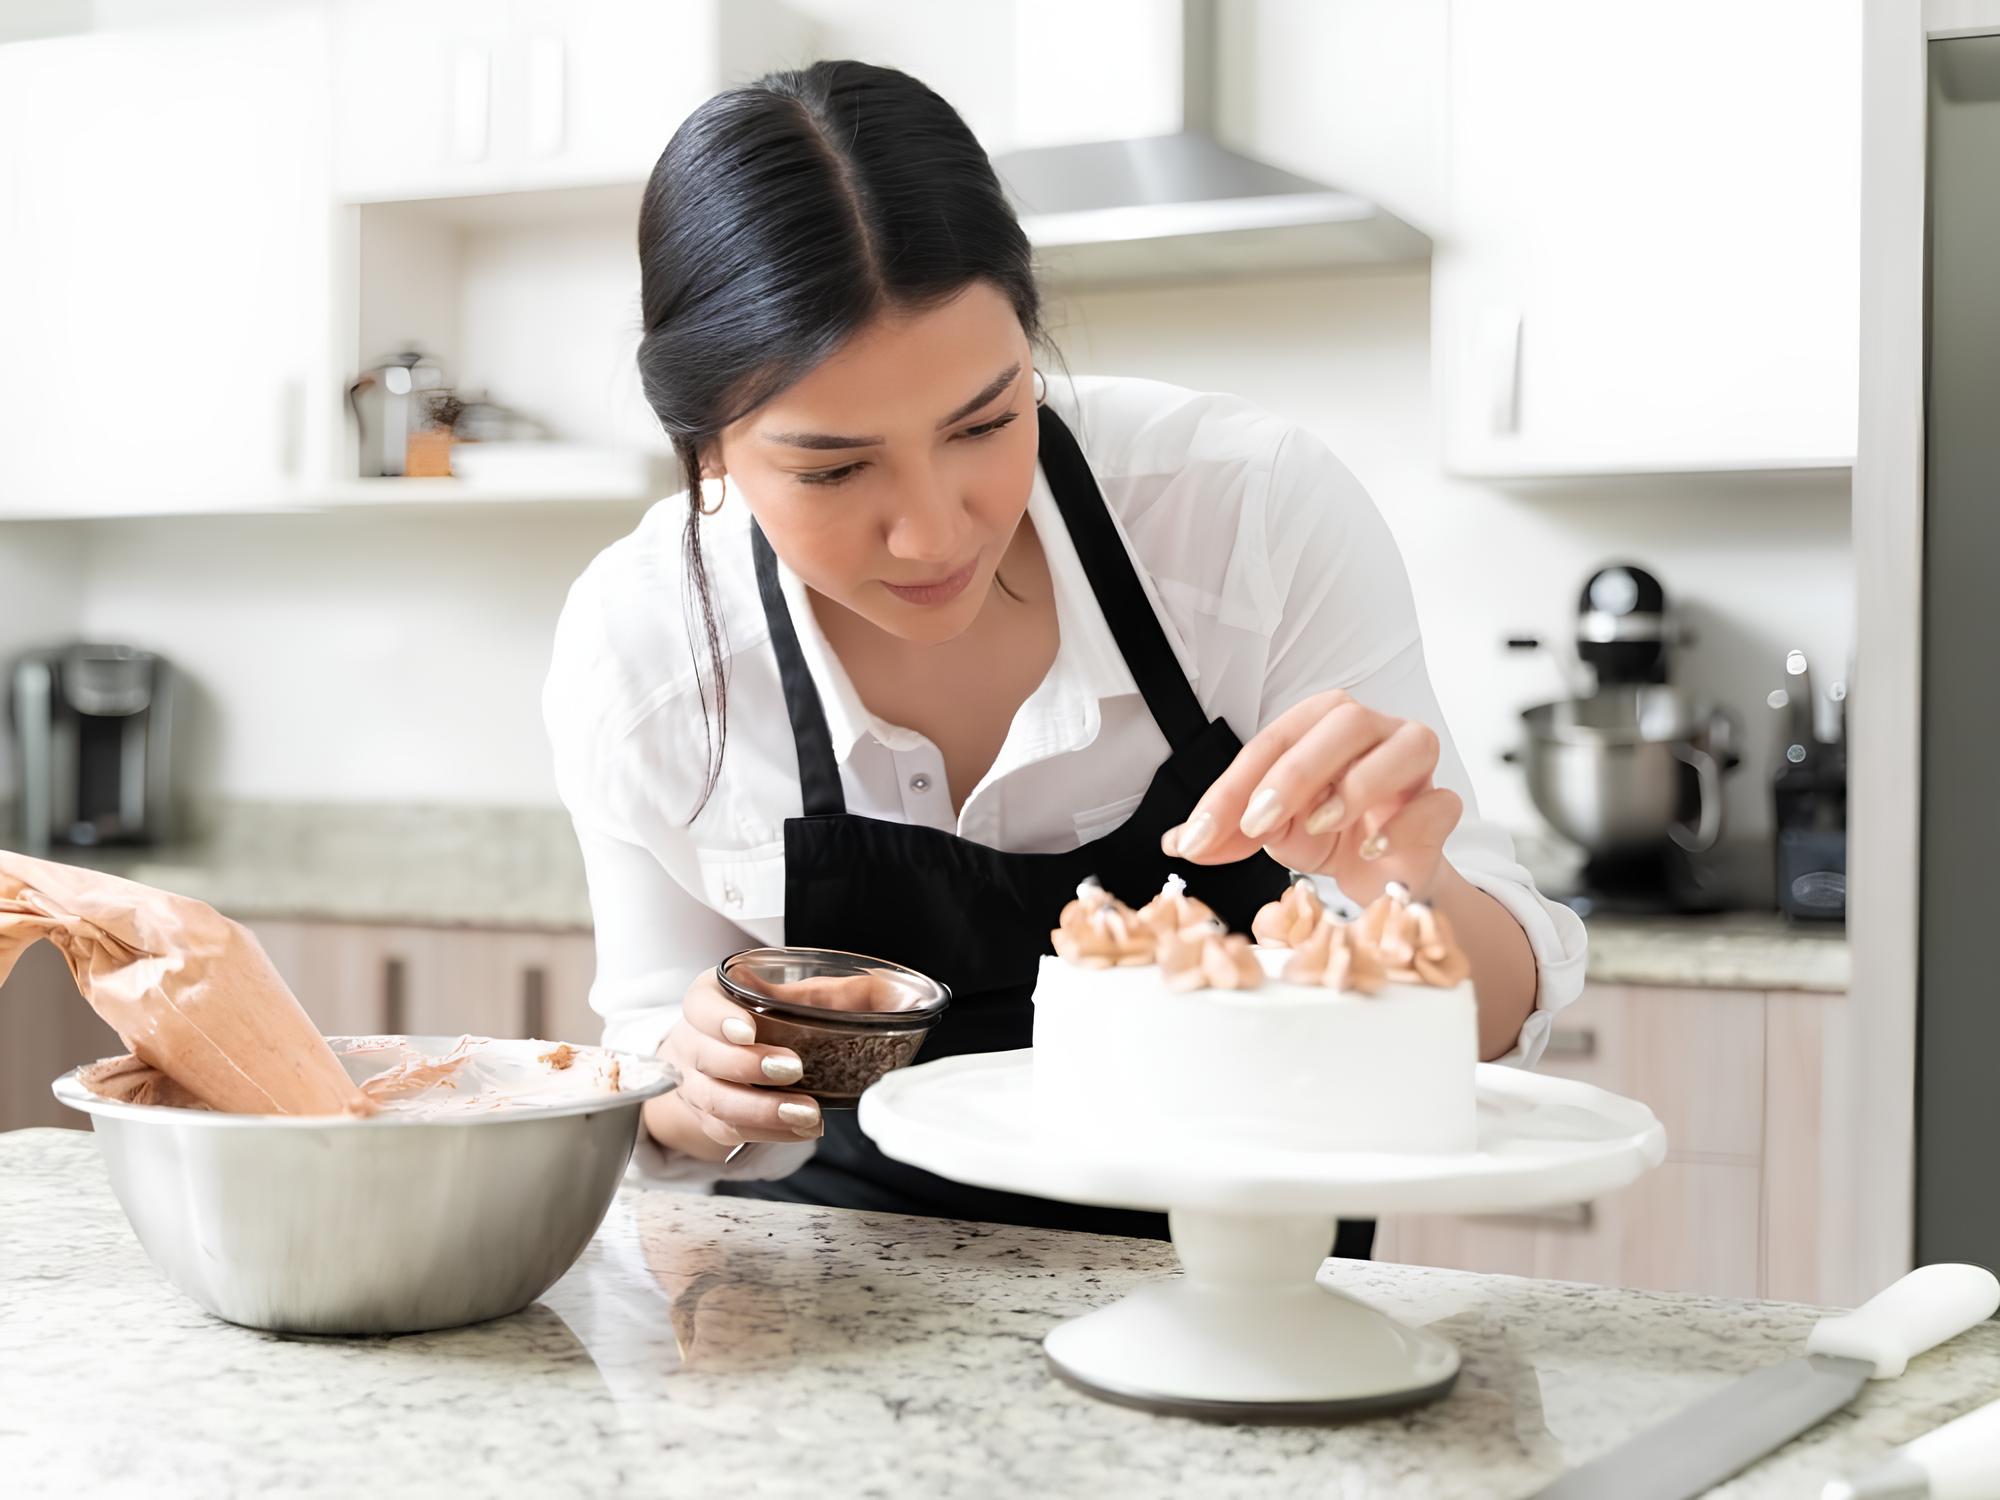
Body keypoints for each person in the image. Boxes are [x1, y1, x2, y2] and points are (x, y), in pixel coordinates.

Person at [542, 60, 1586, 1246]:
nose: (933, 531)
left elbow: (1498, 1018)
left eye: (986, 422)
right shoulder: (645, 650)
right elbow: (645, 1079)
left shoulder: (1242, 513)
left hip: (1256, 1285)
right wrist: (697, 1086)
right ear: (707, 446)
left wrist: (1404, 887)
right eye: (833, 468)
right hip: (845, 1303)